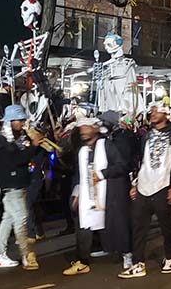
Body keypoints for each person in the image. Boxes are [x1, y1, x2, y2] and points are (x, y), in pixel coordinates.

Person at [118, 101, 171, 278]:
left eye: (157, 111)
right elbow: (143, 162)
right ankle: (138, 263)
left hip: (163, 187)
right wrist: (135, 184)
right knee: (138, 227)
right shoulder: (147, 136)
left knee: (166, 226)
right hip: (144, 187)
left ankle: (170, 257)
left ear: (166, 114)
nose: (153, 114)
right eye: (151, 111)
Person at [63, 117, 124, 275]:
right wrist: (77, 191)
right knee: (83, 225)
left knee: (112, 226)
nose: (83, 131)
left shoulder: (107, 145)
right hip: (87, 195)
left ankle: (125, 253)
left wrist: (102, 174)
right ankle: (82, 261)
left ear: (96, 129)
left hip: (106, 194)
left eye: (87, 127)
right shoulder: (82, 150)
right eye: (81, 128)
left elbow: (121, 166)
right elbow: (79, 174)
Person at [0, 105, 41, 270]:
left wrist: (33, 144)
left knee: (8, 220)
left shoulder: (14, 138)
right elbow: (16, 160)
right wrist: (33, 146)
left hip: (17, 184)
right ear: (10, 121)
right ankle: (26, 255)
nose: (22, 122)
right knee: (21, 219)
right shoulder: (3, 140)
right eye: (19, 120)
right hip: (13, 186)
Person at [99, 111, 136, 269]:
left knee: (121, 218)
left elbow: (124, 162)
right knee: (108, 217)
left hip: (120, 181)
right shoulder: (107, 139)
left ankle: (127, 253)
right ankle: (110, 246)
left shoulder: (124, 138)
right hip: (107, 181)